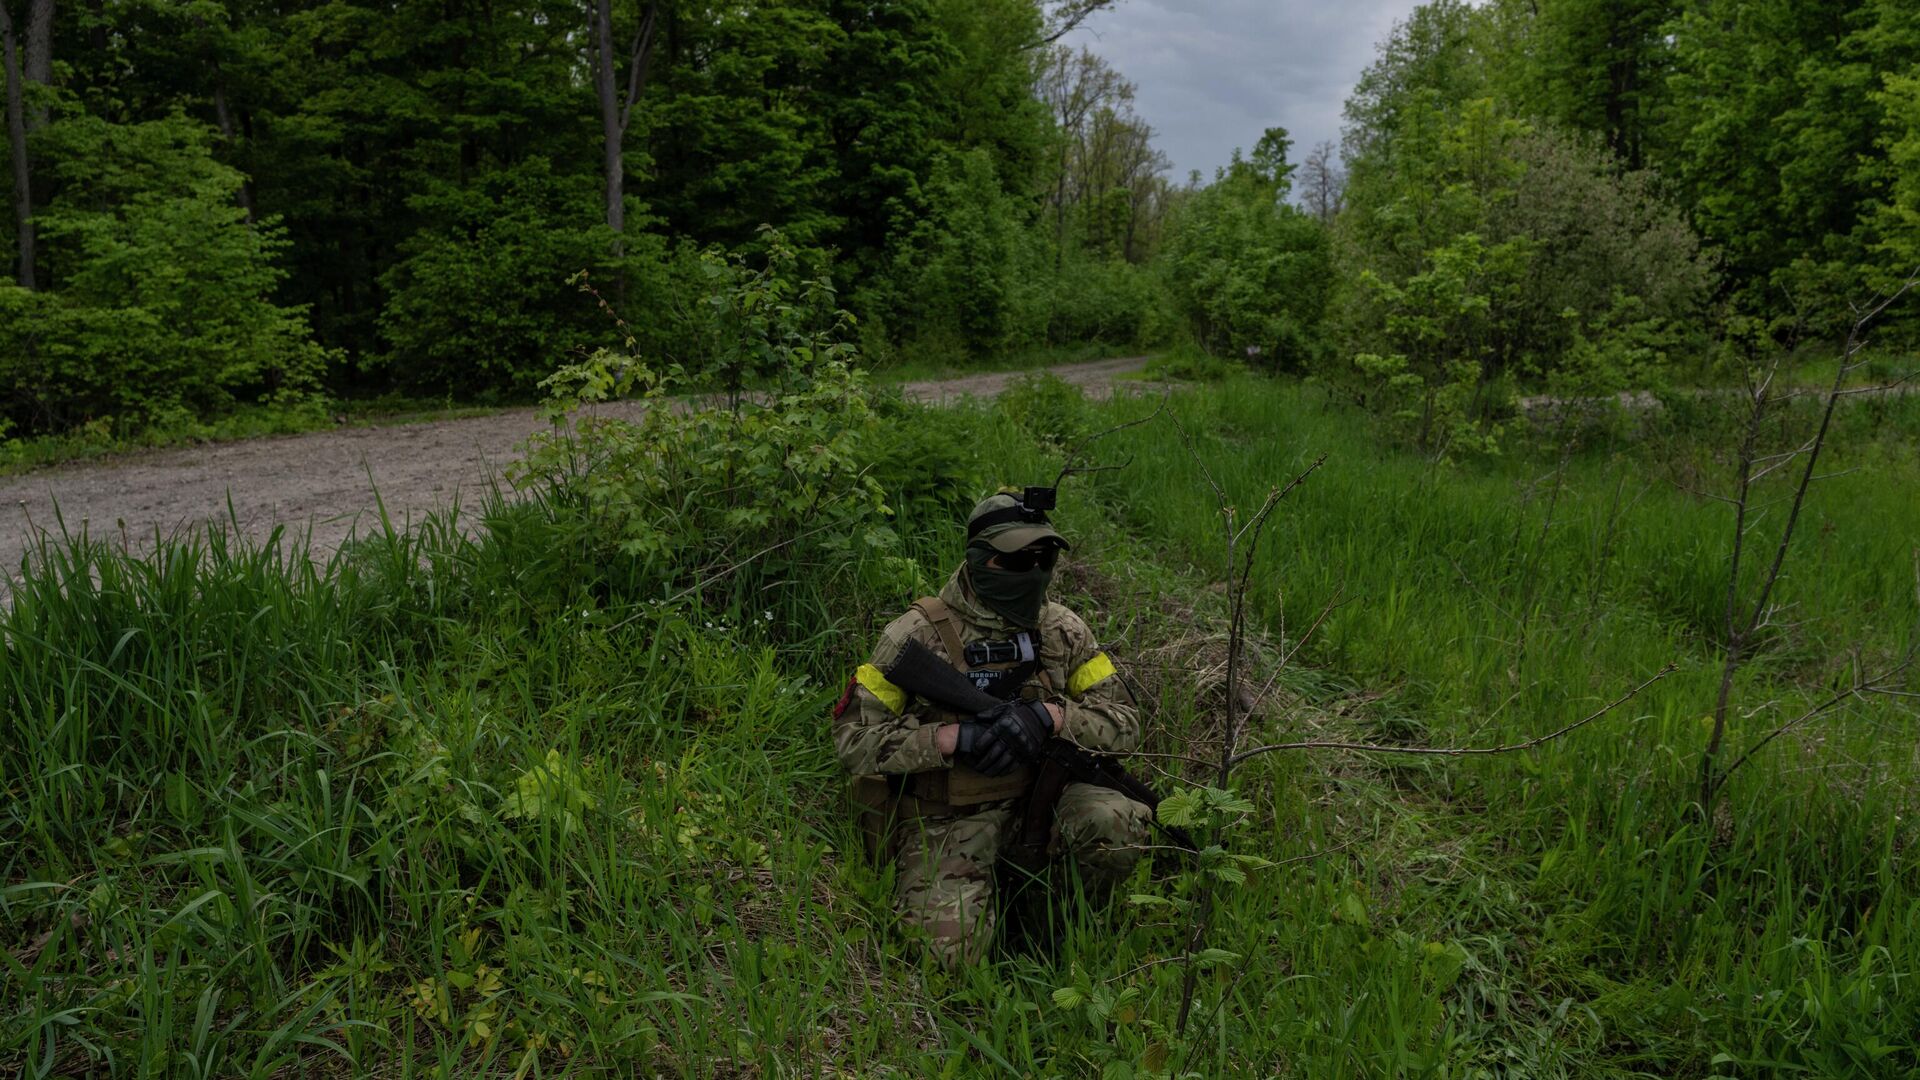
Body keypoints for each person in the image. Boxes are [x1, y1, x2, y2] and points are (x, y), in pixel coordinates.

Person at [833, 490, 1150, 967]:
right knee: (946, 960)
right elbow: (853, 741)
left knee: (1114, 824)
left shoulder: (1063, 630)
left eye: (1043, 559)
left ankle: (1051, 926)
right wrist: (951, 740)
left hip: (1044, 800)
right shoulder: (913, 637)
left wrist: (1052, 717)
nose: (1033, 572)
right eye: (1016, 559)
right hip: (949, 816)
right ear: (980, 558)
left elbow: (1125, 723)